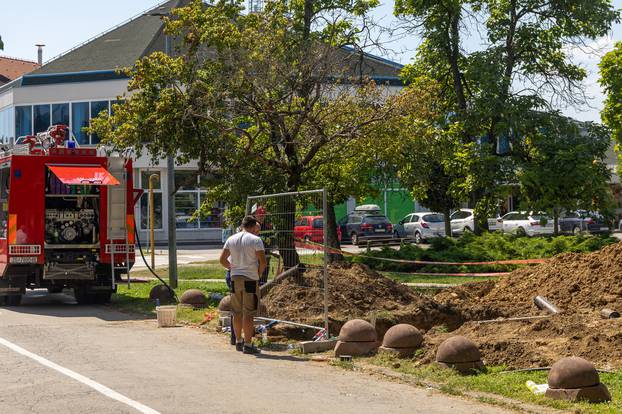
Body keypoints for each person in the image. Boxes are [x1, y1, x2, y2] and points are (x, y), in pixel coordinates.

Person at [220, 216, 267, 354]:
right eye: (256, 229)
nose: (257, 232)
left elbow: (222, 260)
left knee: (236, 312)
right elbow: (263, 262)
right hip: (250, 279)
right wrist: (257, 274)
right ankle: (248, 344)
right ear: (252, 227)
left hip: (235, 279)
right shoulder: (255, 240)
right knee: (249, 313)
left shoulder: (231, 239)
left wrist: (232, 268)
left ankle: (238, 342)